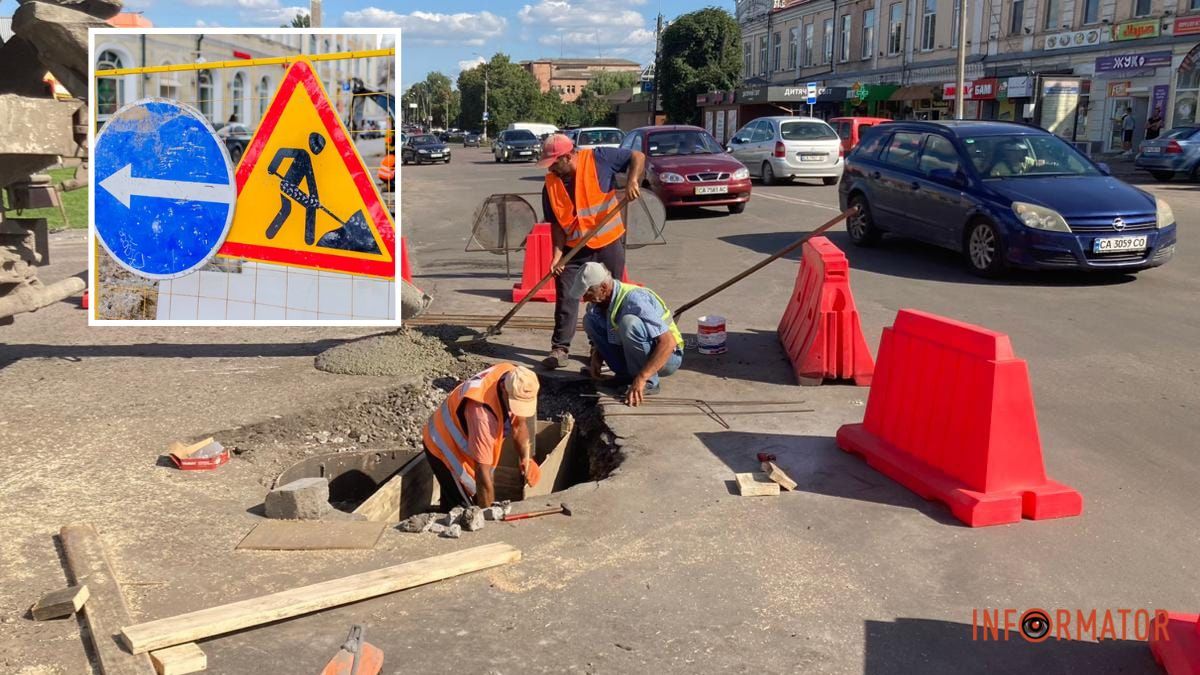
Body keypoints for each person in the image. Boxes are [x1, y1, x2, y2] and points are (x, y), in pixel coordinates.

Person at [538, 133, 647, 370]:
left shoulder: (599, 158)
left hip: (608, 242)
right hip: (573, 250)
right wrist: (557, 255)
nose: (552, 169)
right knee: (566, 296)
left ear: (567, 156)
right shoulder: (550, 185)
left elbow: (637, 156)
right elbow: (557, 225)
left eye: (554, 163)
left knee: (609, 298)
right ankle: (560, 349)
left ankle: (602, 348)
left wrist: (632, 181)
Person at [422, 363, 542, 510]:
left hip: (465, 438)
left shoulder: (513, 376)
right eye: (515, 404)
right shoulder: (482, 414)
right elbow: (482, 472)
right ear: (504, 389)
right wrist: (487, 516)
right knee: (463, 512)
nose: (516, 410)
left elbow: (519, 425)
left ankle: (446, 508)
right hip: (443, 445)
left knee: (459, 503)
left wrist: (525, 457)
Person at [574, 262, 683, 407]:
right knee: (589, 320)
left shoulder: (635, 299)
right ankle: (625, 377)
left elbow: (668, 343)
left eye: (588, 293)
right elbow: (607, 330)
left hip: (668, 358)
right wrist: (597, 355)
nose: (585, 299)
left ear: (604, 288)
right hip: (638, 355)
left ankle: (649, 383)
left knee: (629, 323)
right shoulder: (598, 304)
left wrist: (642, 378)